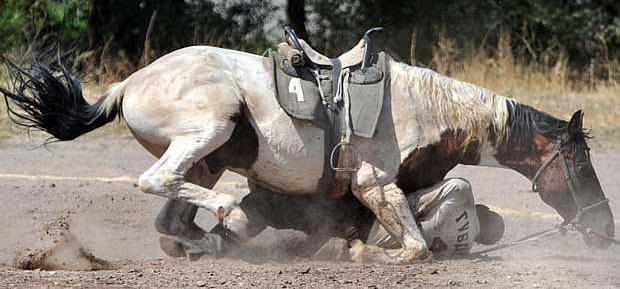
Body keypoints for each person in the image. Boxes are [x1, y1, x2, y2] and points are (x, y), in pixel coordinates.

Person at [168, 178, 505, 260]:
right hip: (367, 242)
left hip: (364, 221)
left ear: (484, 213)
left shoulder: (461, 195)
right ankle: (234, 249)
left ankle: (207, 246)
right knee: (299, 239)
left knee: (269, 203)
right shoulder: (462, 250)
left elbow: (411, 203)